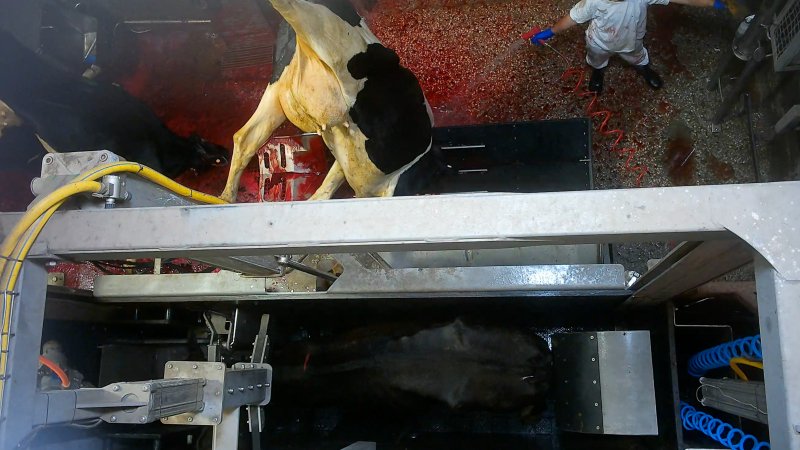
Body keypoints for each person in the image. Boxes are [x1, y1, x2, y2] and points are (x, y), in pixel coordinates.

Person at [531, 0, 726, 94]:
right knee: (597, 60)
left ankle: (645, 70)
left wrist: (710, 3)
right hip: (600, 43)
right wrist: (550, 31)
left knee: (638, 57)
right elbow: (571, 19)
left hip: (632, 41)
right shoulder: (593, 2)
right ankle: (598, 73)